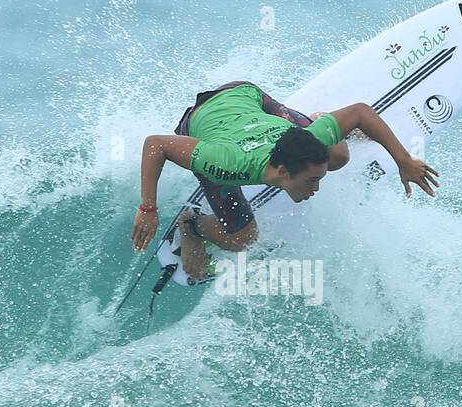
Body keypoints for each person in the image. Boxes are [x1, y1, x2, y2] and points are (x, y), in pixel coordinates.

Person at [130, 80, 439, 279]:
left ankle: (322, 118)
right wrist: (148, 209)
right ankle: (192, 225)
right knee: (241, 239)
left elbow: (359, 111)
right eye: (310, 181)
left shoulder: (306, 141)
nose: (316, 188)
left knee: (338, 158)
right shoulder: (225, 163)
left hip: (244, 94)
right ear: (282, 173)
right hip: (204, 119)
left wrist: (403, 160)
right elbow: (157, 145)